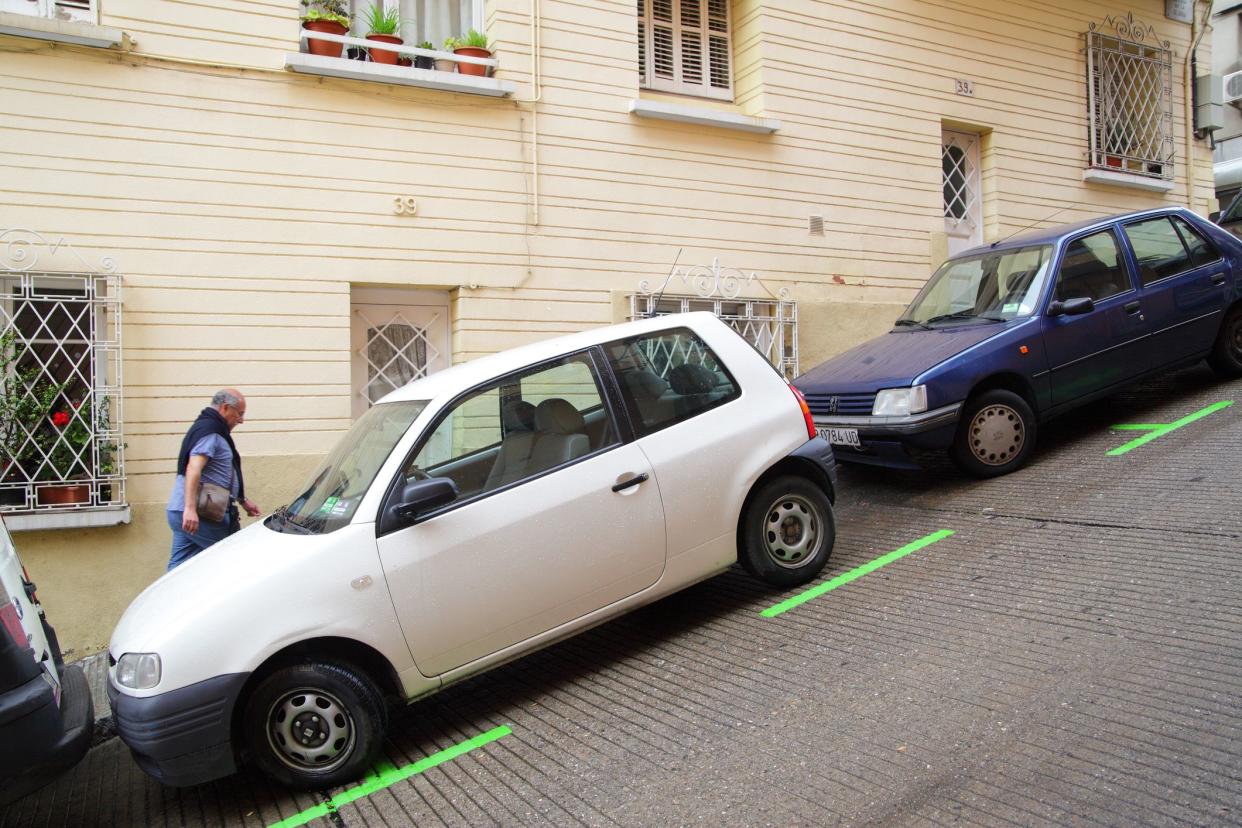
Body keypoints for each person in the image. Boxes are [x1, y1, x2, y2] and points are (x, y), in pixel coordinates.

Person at [166, 388, 261, 571]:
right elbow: (193, 468)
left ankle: (166, 599)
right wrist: (190, 509)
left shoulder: (207, 427)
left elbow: (219, 473)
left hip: (180, 510)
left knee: (179, 568)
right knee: (233, 557)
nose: (241, 420)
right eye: (239, 414)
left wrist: (242, 500)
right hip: (200, 514)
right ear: (225, 407)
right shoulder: (211, 431)